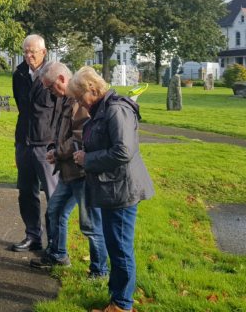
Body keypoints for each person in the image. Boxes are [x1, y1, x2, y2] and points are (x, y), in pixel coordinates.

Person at [68, 66, 156, 312]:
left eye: (79, 97)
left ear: (92, 89)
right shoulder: (103, 109)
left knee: (120, 250)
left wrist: (87, 159)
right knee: (116, 247)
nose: (78, 103)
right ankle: (117, 300)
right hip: (112, 188)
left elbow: (123, 151)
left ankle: (122, 306)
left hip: (122, 190)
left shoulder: (116, 109)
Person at [30, 61, 109, 280]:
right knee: (55, 211)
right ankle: (58, 254)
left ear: (62, 79)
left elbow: (81, 137)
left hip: (82, 173)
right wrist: (53, 147)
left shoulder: (80, 100)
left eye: (50, 87)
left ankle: (100, 271)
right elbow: (60, 131)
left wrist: (58, 152)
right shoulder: (66, 99)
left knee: (90, 224)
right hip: (67, 171)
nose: (49, 92)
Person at [11, 34, 59, 252]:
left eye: (33, 51)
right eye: (25, 51)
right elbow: (22, 107)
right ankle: (33, 236)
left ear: (44, 52)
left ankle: (55, 242)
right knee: (26, 192)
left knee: (53, 194)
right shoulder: (19, 74)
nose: (28, 55)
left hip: (46, 144)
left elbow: (60, 109)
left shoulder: (54, 74)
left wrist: (55, 141)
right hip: (23, 141)